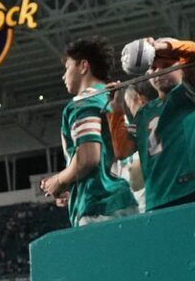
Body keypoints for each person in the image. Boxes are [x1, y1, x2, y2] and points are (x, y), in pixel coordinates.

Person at [40, 38, 139, 226]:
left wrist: (59, 181)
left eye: (67, 68)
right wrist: (72, 184)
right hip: (126, 199)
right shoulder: (113, 101)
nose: (63, 76)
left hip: (99, 207)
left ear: (83, 66)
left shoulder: (84, 102)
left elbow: (88, 159)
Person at [123, 37, 195, 210]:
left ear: (182, 68)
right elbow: (122, 150)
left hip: (193, 186)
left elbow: (194, 51)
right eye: (153, 67)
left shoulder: (189, 94)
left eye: (166, 66)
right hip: (156, 195)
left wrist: (159, 47)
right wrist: (114, 110)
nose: (158, 72)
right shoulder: (144, 112)